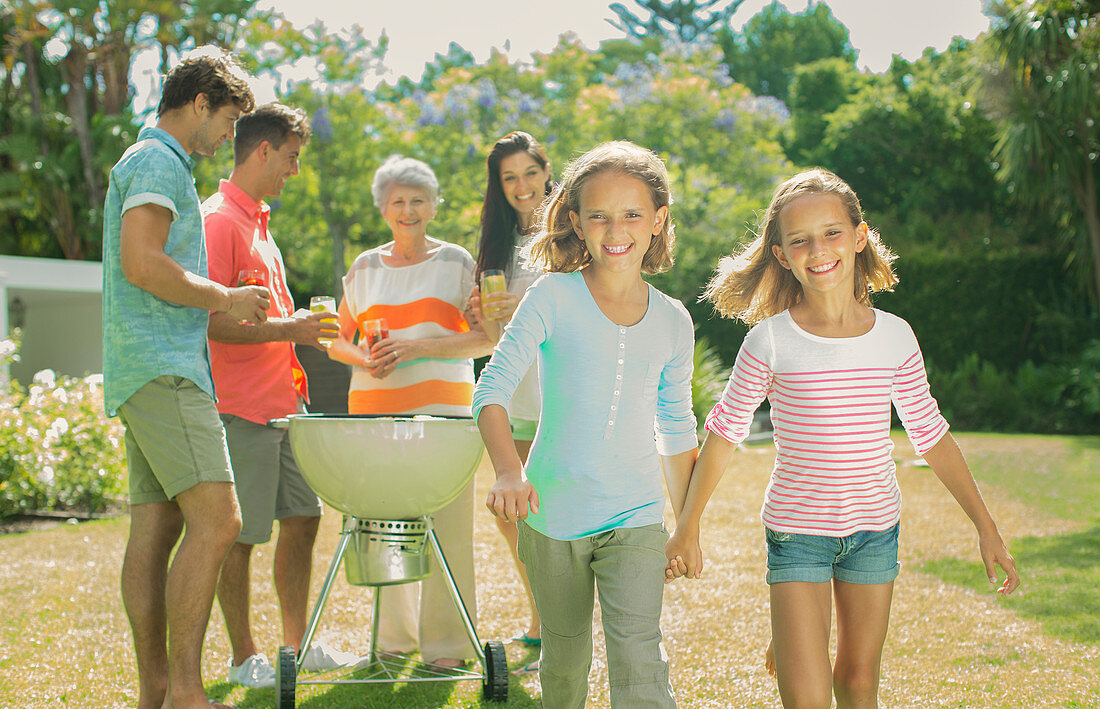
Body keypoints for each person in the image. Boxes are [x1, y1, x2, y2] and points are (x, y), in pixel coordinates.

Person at [664, 168, 1020, 709]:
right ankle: (796, 627)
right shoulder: (770, 340)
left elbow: (931, 435)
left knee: (857, 684)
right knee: (806, 700)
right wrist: (688, 526)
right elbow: (724, 433)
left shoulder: (895, 336)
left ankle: (794, 632)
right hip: (796, 532)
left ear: (859, 237)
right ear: (782, 255)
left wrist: (986, 527)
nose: (818, 249)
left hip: (875, 531)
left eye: (832, 232)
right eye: (800, 239)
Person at [472, 141, 699, 708]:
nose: (614, 228)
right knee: (566, 665)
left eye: (631, 214)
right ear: (574, 221)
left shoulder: (673, 319)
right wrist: (507, 472)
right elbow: (492, 389)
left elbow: (676, 425)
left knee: (640, 658)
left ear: (657, 221)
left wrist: (687, 525)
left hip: (637, 514)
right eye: (598, 214)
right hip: (552, 514)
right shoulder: (552, 296)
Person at [101, 47, 261, 709]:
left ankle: (158, 692)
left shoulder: (147, 161)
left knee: (157, 527)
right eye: (227, 121)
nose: (229, 137)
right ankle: (188, 693)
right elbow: (141, 263)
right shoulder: (158, 161)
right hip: (164, 367)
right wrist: (225, 297)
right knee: (220, 520)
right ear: (199, 101)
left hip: (143, 368)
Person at [203, 103, 358, 688]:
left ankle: (298, 643)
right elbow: (209, 323)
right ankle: (245, 658)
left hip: (286, 407)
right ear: (263, 150)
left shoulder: (261, 228)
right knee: (239, 536)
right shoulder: (218, 222)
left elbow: (260, 318)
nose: (296, 170)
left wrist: (299, 328)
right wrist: (290, 329)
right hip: (239, 407)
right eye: (292, 157)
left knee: (303, 519)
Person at [327, 155, 494, 668]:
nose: (408, 209)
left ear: (434, 205)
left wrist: (417, 349)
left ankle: (448, 648)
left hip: (444, 410)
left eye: (417, 200)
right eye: (398, 201)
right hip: (374, 410)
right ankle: (392, 643)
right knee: (384, 525)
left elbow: (483, 339)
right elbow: (338, 339)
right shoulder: (364, 268)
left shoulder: (459, 263)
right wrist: (366, 359)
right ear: (383, 208)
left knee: (447, 527)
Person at [471, 131, 553, 658]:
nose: (521, 186)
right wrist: (480, 315)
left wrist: (523, 301)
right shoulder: (496, 243)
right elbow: (490, 335)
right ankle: (543, 612)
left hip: (559, 391)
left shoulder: (570, 230)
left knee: (552, 512)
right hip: (513, 391)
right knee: (510, 514)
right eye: (509, 178)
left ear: (546, 172)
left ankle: (556, 620)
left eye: (528, 172)